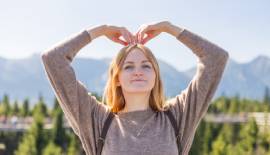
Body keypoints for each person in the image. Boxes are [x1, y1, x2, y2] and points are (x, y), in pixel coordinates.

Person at [41, 21, 229, 155]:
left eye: (146, 66)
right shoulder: (97, 120)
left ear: (156, 76)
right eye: (128, 66)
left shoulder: (178, 116)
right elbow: (53, 59)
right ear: (117, 79)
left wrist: (168, 28)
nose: (138, 72)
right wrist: (100, 30)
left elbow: (215, 58)